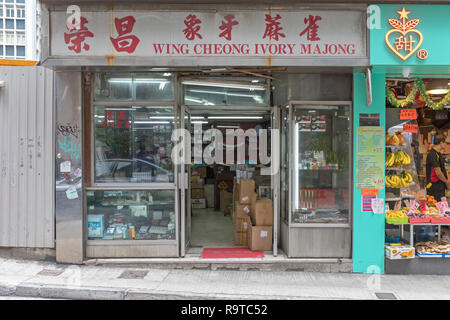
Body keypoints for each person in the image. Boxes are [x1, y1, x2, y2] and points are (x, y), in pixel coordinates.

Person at [425, 134, 450, 201]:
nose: (446, 144)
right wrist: (446, 181)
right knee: (435, 207)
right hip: (434, 187)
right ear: (441, 143)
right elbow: (438, 171)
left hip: (439, 186)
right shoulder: (433, 154)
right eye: (445, 143)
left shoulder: (438, 154)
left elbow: (442, 169)